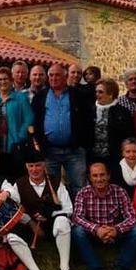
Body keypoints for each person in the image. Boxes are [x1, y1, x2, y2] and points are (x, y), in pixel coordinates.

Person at [8, 149, 79, 270]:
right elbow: (14, 208)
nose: (34, 169)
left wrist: (49, 214)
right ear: (26, 167)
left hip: (53, 225)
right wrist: (30, 222)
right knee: (11, 237)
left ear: (44, 165)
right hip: (30, 226)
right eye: (31, 166)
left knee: (62, 222)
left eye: (38, 165)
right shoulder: (19, 184)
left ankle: (65, 269)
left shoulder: (56, 181)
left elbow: (68, 209)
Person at [71, 162, 136, 270]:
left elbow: (133, 217)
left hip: (114, 233)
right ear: (90, 178)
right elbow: (77, 217)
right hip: (94, 234)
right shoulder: (83, 193)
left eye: (102, 175)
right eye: (95, 176)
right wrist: (96, 229)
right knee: (77, 232)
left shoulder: (119, 191)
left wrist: (116, 229)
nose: (99, 179)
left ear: (108, 176)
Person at [31, 64, 92, 199]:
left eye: (57, 75)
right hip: (50, 151)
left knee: (79, 186)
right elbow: (34, 122)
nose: (53, 78)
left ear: (65, 76)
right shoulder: (40, 97)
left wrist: (83, 144)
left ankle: (80, 216)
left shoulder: (78, 95)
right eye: (51, 75)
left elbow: (88, 121)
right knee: (52, 187)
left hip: (75, 151)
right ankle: (57, 215)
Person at [0, 66, 34, 182]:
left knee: (12, 179)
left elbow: (29, 118)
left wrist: (20, 136)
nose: (3, 82)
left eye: (5, 79)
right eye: (0, 80)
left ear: (11, 81)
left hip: (13, 146)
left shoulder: (21, 98)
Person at [88, 78, 134, 181]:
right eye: (96, 92)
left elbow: (128, 135)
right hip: (94, 157)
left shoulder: (122, 112)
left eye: (100, 92)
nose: (97, 94)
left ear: (110, 94)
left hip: (115, 157)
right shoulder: (90, 110)